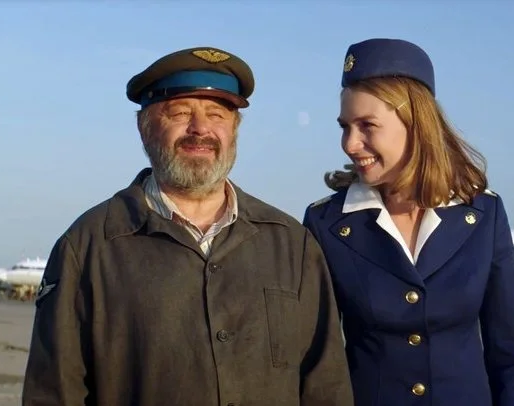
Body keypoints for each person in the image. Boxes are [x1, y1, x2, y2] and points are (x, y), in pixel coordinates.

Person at [22, 46, 354, 406]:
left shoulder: (292, 246)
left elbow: (327, 388)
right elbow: (53, 393)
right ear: (145, 128)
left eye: (217, 115)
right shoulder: (88, 247)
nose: (201, 129)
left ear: (235, 130)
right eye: (180, 113)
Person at [302, 38, 514, 406]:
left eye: (367, 125)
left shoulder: (483, 216)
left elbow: (510, 355)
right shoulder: (326, 223)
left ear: (416, 122)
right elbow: (314, 362)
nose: (350, 143)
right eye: (345, 127)